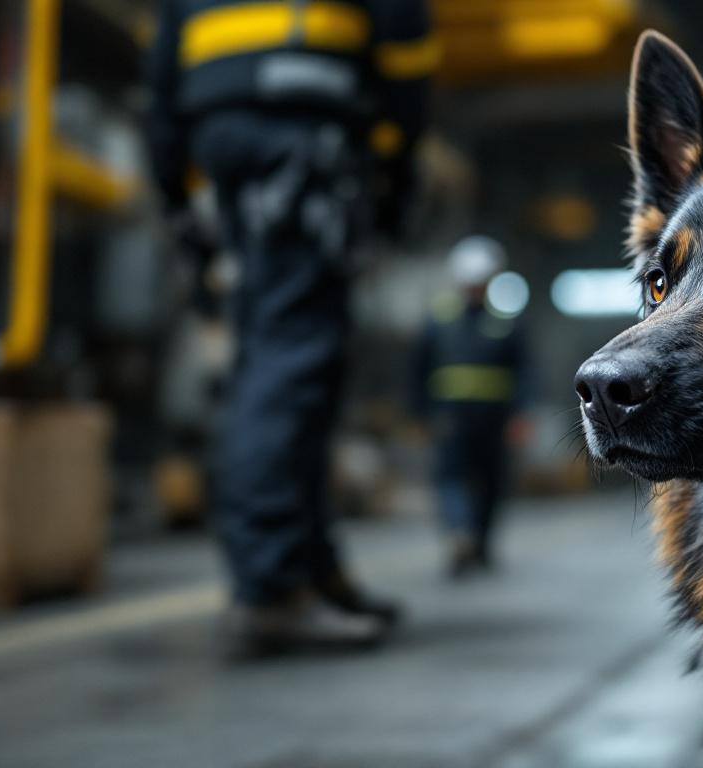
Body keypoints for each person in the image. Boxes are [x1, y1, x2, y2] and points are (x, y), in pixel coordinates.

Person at [145, 0, 436, 652]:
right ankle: (271, 589)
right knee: (292, 363)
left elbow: (162, 72)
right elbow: (405, 48)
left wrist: (175, 193)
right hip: (302, 119)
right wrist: (391, 172)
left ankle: (312, 569)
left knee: (275, 356)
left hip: (222, 131)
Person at [413, 237, 531, 577]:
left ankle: (479, 542)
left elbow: (524, 370)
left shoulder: (506, 321)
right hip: (450, 417)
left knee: (491, 481)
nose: (476, 289)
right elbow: (419, 369)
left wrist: (521, 414)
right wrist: (420, 413)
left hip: (494, 418)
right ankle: (459, 534)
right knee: (451, 477)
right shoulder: (439, 320)